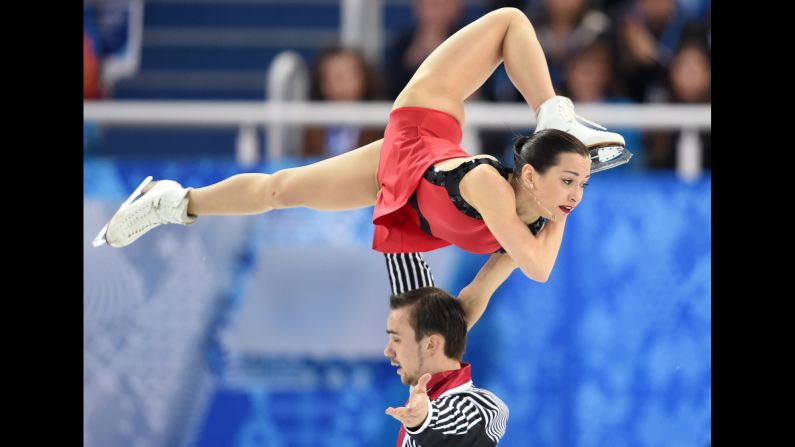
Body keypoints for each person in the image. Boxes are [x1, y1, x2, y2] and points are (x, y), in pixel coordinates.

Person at [94, 8, 632, 328]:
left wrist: (435, 370)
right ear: (531, 175)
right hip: (426, 119)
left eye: (582, 185)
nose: (576, 196)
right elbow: (539, 268)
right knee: (512, 20)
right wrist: (562, 206)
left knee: (283, 190)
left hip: (402, 174)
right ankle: (556, 114)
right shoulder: (491, 186)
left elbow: (473, 301)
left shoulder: (525, 227)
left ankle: (172, 200)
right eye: (570, 181)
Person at [384, 287, 508, 446]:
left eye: (397, 339)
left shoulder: (485, 408)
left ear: (429, 344)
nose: (388, 351)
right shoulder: (420, 392)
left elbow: (466, 421)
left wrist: (426, 419)